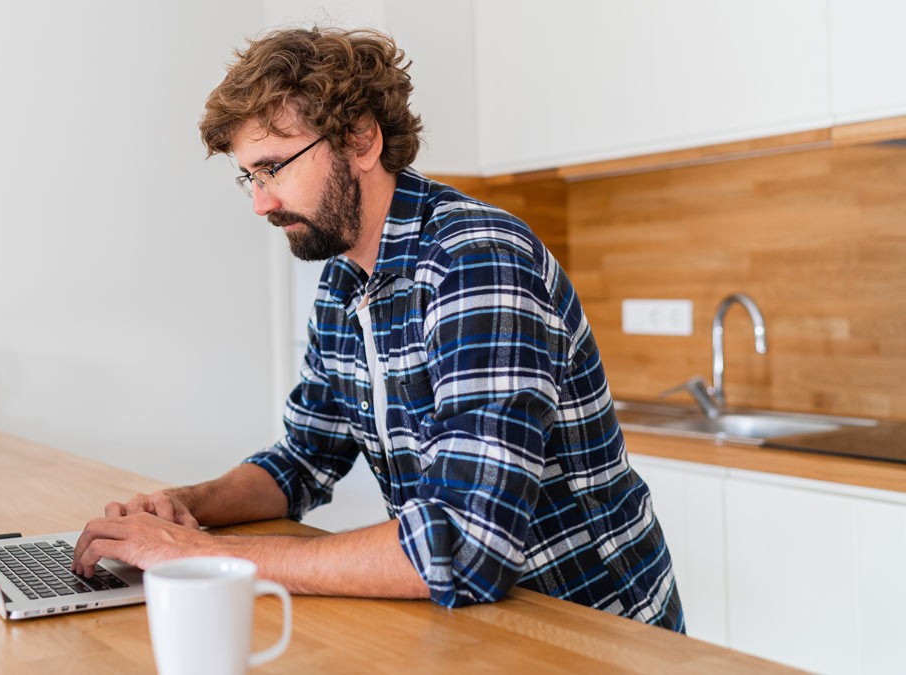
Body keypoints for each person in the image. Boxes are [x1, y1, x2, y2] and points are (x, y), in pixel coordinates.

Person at [72, 26, 684, 631]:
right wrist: (184, 509)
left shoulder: (475, 260)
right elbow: (301, 463)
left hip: (597, 631)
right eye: (250, 178)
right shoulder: (344, 282)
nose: (261, 203)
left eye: (274, 167)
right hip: (483, 624)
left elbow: (464, 546)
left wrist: (200, 557)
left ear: (361, 140)